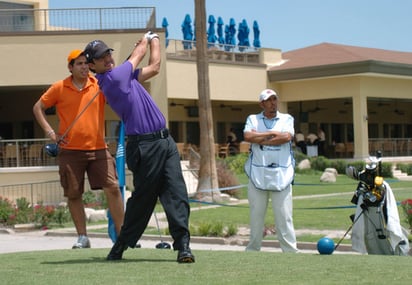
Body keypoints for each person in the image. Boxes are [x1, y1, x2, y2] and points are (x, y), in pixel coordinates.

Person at [84, 32, 195, 263]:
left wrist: (155, 41)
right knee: (144, 199)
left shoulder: (125, 76)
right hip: (144, 146)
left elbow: (154, 67)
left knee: (177, 193)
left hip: (165, 141)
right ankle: (121, 244)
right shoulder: (112, 78)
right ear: (92, 65)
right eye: (100, 57)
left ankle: (183, 246)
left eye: (107, 53)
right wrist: (147, 38)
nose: (107, 58)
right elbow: (139, 54)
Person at [32, 50, 124, 249]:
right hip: (70, 151)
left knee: (113, 188)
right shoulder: (59, 87)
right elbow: (38, 107)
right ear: (70, 67)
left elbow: (117, 84)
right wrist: (50, 133)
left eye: (86, 63)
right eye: (80, 63)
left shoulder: (98, 84)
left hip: (99, 149)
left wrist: (111, 64)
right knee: (74, 194)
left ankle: (123, 235)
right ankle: (83, 237)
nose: (84, 67)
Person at [243, 89, 298, 253]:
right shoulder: (253, 118)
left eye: (275, 99)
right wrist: (272, 134)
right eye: (268, 100)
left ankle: (290, 251)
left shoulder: (287, 118)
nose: (273, 103)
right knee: (256, 217)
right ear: (262, 104)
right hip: (257, 176)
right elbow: (248, 137)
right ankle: (253, 250)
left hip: (282, 177)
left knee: (284, 218)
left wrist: (260, 136)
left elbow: (286, 137)